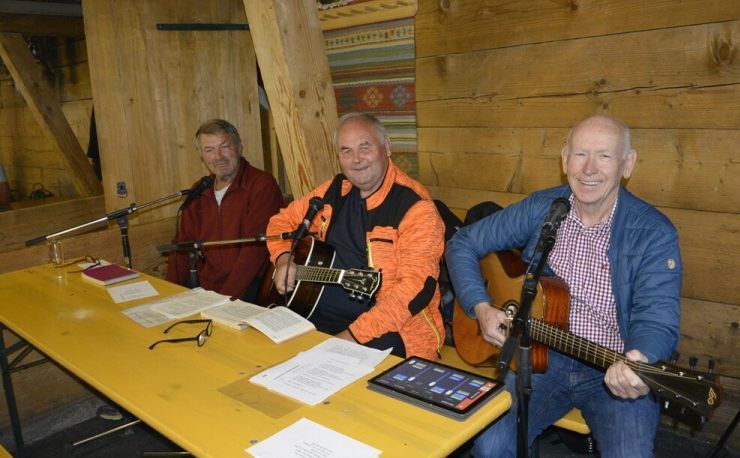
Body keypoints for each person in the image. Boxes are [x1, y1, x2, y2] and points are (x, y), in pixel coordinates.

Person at [446, 114, 682, 457]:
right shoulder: (545, 208)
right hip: (539, 356)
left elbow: (657, 318)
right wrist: (480, 306)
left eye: (604, 156)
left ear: (627, 164)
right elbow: (462, 243)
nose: (589, 168)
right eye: (580, 154)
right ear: (564, 159)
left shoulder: (653, 233)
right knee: (490, 447)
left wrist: (639, 359)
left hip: (612, 365)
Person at [266, 112, 445, 359]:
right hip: (313, 310)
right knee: (262, 349)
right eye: (346, 151)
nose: (356, 159)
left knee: (325, 367)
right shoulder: (335, 191)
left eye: (364, 147)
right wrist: (283, 258)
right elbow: (280, 222)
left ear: (387, 147)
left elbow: (412, 290)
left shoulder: (415, 207)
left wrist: (349, 337)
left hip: (390, 329)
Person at [166, 119, 284, 302]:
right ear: (202, 156)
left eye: (224, 146)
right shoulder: (199, 190)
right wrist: (169, 294)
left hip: (250, 288)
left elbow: (254, 252)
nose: (218, 156)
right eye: (209, 150)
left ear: (239, 147)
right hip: (206, 287)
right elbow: (182, 247)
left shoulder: (261, 185)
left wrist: (223, 301)